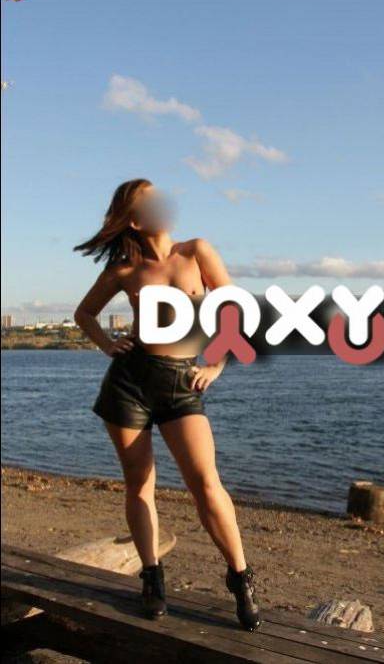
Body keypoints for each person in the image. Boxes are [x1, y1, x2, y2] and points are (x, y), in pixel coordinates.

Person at [73, 178, 260, 630]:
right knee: (139, 483)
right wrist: (107, 344)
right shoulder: (123, 269)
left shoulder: (196, 252)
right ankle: (152, 576)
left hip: (181, 381)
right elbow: (84, 313)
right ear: (135, 221)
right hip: (129, 383)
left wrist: (216, 365)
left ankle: (240, 577)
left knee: (206, 484)